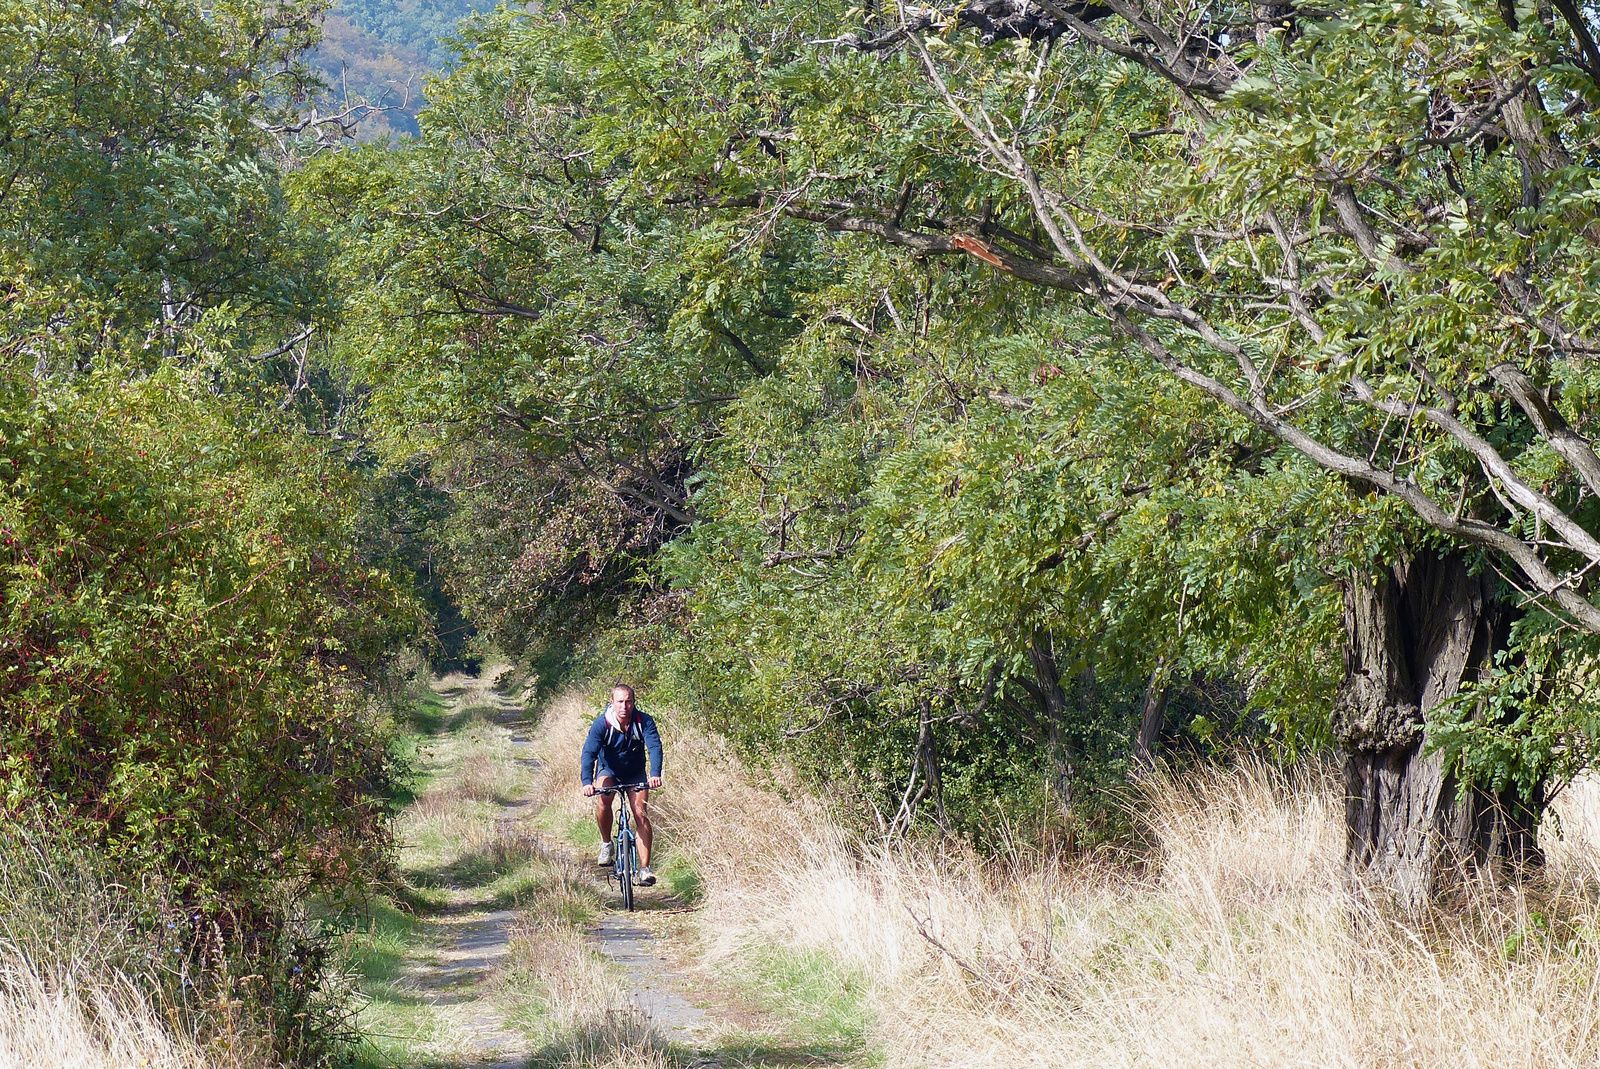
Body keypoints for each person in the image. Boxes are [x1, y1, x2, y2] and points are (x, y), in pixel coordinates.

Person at [579, 684, 663, 886]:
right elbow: (589, 753)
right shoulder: (602, 724)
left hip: (635, 773)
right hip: (609, 771)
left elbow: (654, 746)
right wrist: (587, 782)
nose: (624, 706)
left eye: (628, 701)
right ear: (612, 703)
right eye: (620, 702)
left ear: (633, 703)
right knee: (603, 801)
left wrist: (654, 774)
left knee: (640, 813)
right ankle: (607, 843)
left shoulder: (644, 721)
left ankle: (644, 869)